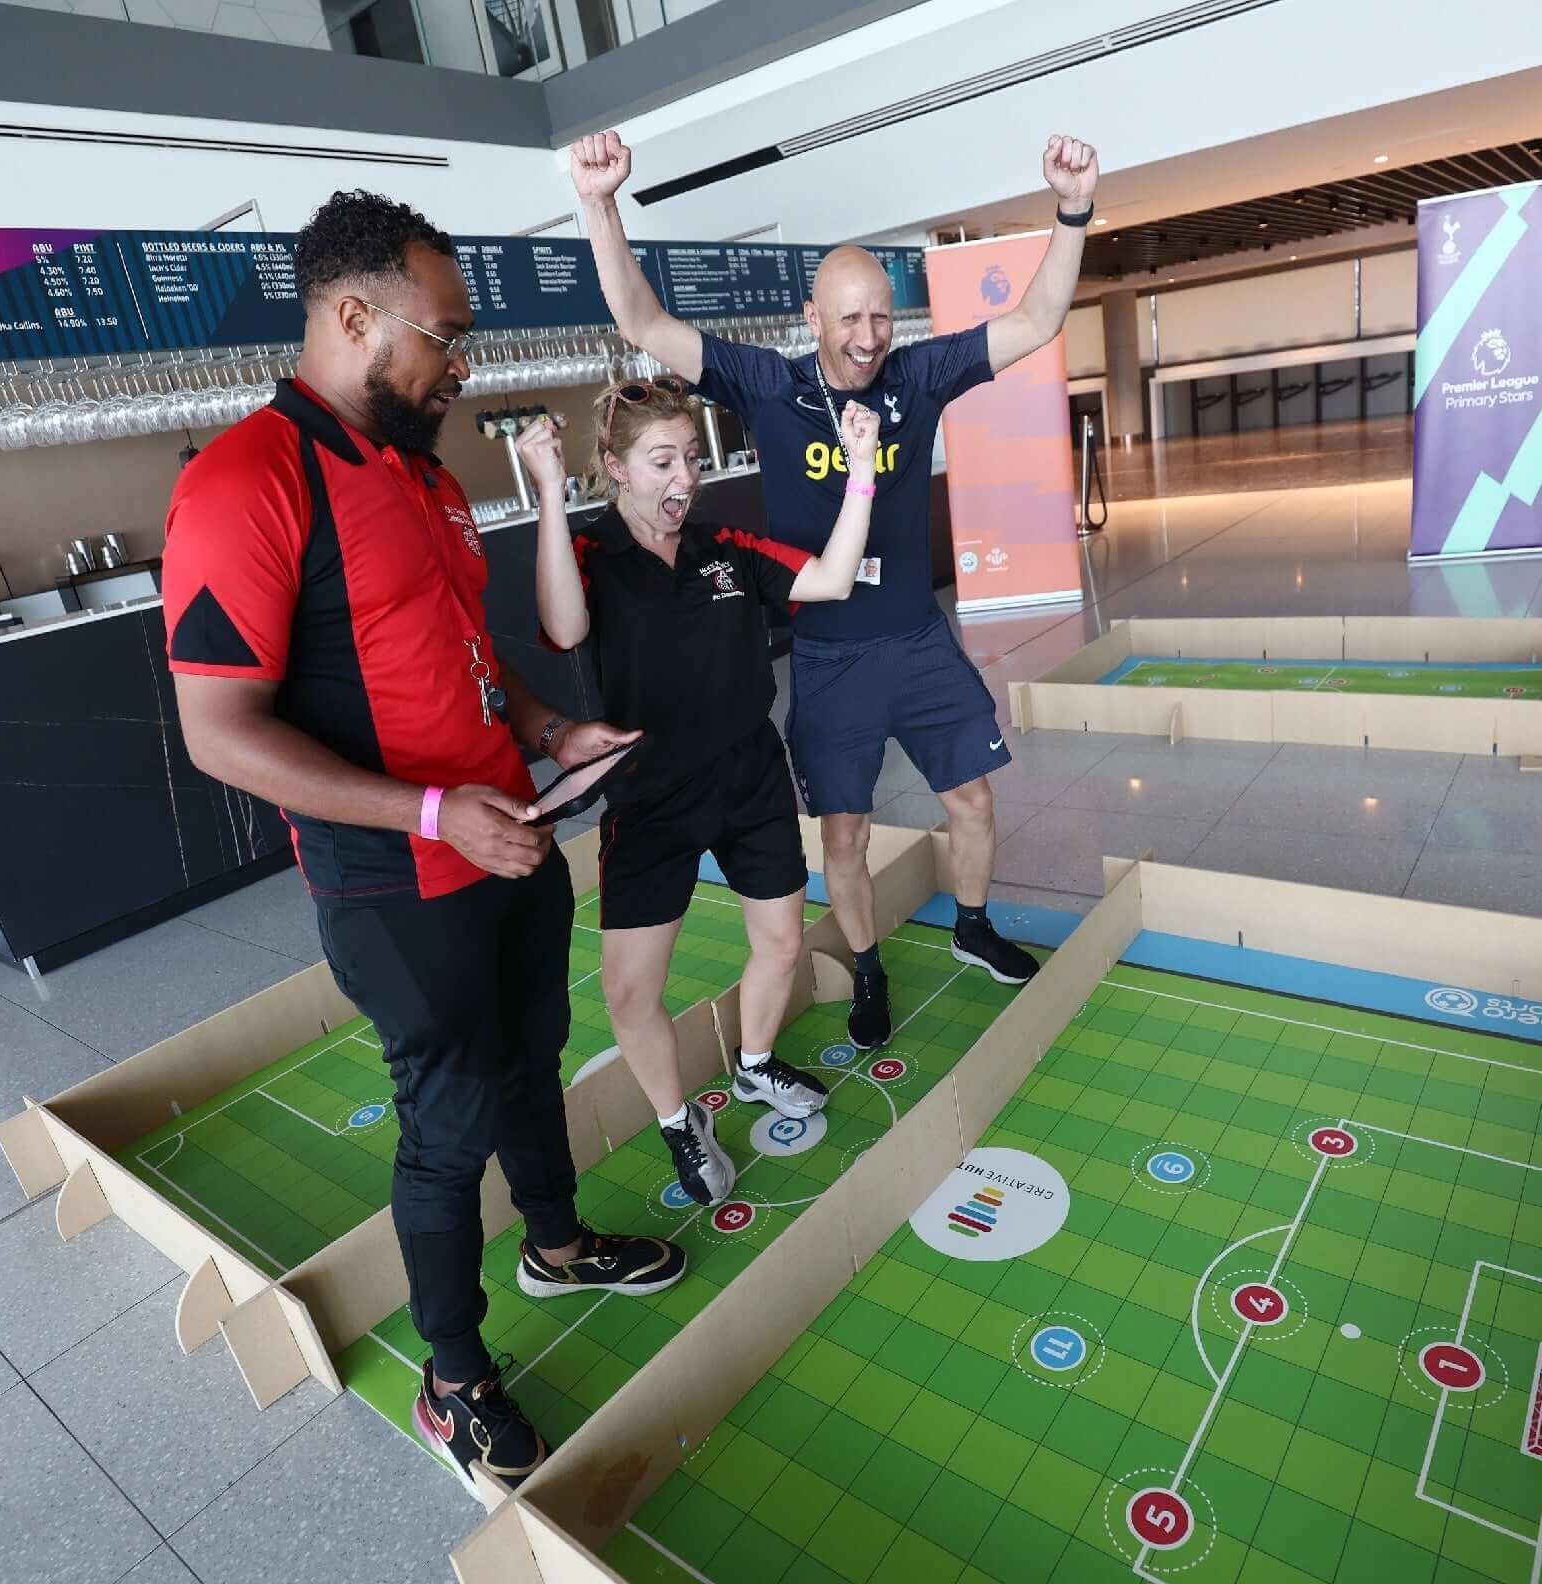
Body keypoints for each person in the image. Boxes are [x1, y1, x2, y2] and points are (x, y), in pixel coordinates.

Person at [161, 189, 685, 1498]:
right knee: (448, 1123)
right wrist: (437, 813)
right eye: (445, 339)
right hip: (402, 880)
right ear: (353, 316)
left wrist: (552, 731)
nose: (463, 366)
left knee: (534, 1058)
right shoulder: (245, 483)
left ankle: (555, 1240)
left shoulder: (424, 474)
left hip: (512, 844)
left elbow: (462, 655)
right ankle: (454, 1384)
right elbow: (219, 731)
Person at [568, 128, 1100, 1049]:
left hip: (918, 643)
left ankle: (972, 927)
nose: (867, 338)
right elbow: (644, 324)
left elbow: (1039, 318)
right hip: (827, 655)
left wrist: (1072, 209)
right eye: (848, 319)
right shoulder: (767, 384)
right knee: (844, 838)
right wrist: (601, 205)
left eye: (880, 318)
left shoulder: (920, 374)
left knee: (971, 799)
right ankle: (867, 966)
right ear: (812, 320)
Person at [518, 383, 882, 1206]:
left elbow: (829, 579)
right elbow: (566, 630)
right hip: (650, 795)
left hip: (749, 775)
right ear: (614, 468)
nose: (685, 475)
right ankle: (680, 1120)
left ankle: (754, 1064)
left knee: (781, 943)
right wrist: (546, 491)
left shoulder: (725, 544)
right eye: (662, 461)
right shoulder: (589, 555)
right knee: (629, 991)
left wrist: (861, 469)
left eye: (692, 456)